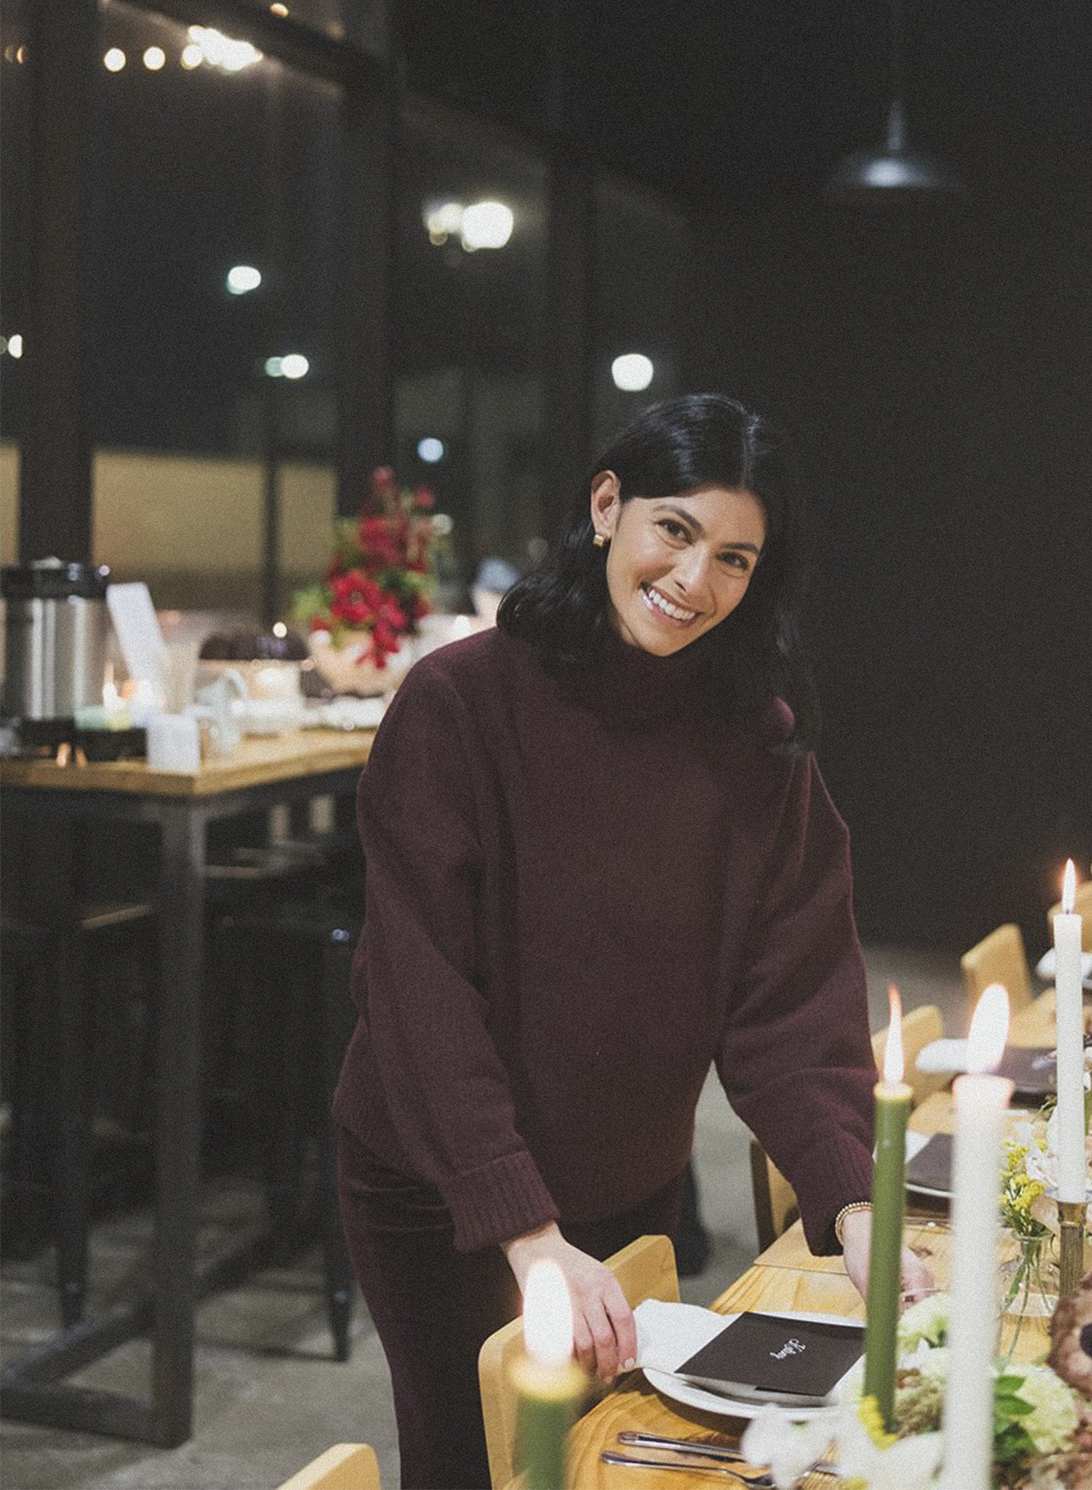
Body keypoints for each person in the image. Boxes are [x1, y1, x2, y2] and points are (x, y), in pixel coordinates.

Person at [334, 394, 933, 1490]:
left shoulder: (757, 743)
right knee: (477, 1470)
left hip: (625, 1187)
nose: (695, 580)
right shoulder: (459, 704)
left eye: (737, 558)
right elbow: (418, 989)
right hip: (449, 1192)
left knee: (608, 1469)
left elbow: (789, 1009)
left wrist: (850, 1202)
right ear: (607, 507)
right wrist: (524, 1231)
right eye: (676, 529)